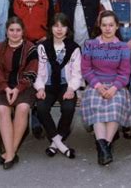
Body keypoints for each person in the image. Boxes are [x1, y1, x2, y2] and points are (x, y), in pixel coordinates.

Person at [80, 11, 131, 166]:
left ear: (117, 26)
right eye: (104, 25)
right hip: (95, 84)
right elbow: (86, 69)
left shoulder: (123, 47)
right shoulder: (90, 45)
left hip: (116, 86)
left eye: (111, 25)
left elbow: (125, 73)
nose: (108, 28)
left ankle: (104, 148)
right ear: (100, 26)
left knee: (115, 107)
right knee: (97, 107)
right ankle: (105, 150)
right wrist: (98, 86)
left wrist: (114, 88)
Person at [0, 17, 38, 169]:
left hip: (24, 87)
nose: (15, 33)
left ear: (23, 31)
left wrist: (17, 89)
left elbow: (32, 72)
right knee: (2, 109)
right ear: (6, 31)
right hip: (3, 87)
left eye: (18, 30)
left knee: (23, 108)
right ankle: (11, 153)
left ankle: (9, 153)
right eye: (11, 30)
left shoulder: (30, 48)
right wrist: (6, 88)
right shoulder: (0, 48)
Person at [35, 13, 82, 158]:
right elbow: (39, 71)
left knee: (68, 107)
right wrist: (40, 87)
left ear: (68, 28)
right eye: (56, 26)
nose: (59, 29)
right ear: (51, 28)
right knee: (41, 108)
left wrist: (71, 89)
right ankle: (59, 143)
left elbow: (76, 73)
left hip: (65, 85)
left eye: (63, 26)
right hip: (47, 85)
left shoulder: (73, 48)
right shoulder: (43, 47)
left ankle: (55, 143)